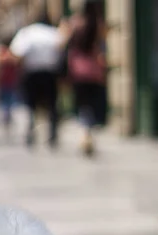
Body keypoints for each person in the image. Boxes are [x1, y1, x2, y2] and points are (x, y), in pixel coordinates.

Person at [9, 13, 66, 147]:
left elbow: (16, 54)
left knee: (31, 105)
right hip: (50, 73)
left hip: (32, 73)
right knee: (52, 105)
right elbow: (62, 49)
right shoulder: (53, 32)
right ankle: (52, 134)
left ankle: (31, 131)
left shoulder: (27, 33)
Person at [67, 0, 107, 155]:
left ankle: (85, 135)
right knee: (92, 104)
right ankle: (89, 134)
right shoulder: (98, 26)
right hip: (94, 72)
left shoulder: (75, 24)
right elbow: (102, 48)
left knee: (83, 106)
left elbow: (66, 45)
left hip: (78, 71)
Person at [0, 37, 19, 132]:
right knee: (6, 101)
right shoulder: (10, 54)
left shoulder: (0, 54)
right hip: (7, 81)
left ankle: (4, 118)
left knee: (4, 102)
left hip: (5, 82)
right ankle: (5, 118)